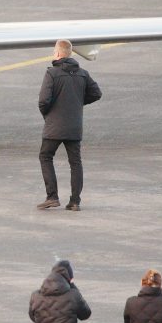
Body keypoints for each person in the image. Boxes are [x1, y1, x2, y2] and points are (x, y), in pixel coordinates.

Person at [36, 39, 102, 211]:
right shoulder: (83, 74)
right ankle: (75, 201)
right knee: (75, 162)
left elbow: (43, 101)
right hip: (74, 126)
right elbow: (96, 93)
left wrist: (48, 115)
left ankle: (52, 197)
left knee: (45, 156)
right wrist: (77, 101)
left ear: (58, 53)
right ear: (70, 53)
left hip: (54, 125)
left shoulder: (52, 73)